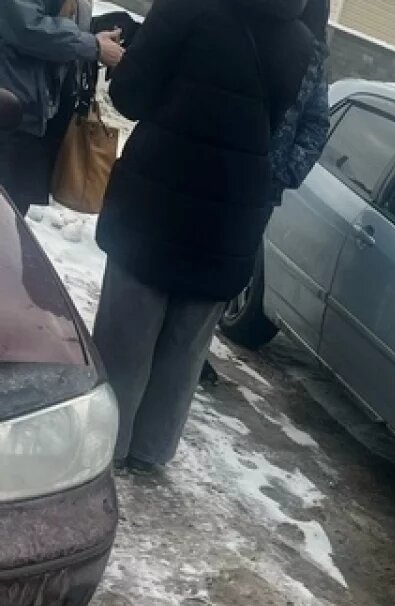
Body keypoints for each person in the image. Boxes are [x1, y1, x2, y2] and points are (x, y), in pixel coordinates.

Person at [92, 0, 315, 474]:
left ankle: (102, 448)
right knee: (186, 344)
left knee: (125, 336)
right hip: (232, 211)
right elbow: (278, 124)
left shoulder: (186, 5)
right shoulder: (299, 40)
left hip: (156, 199)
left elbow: (130, 96)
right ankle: (150, 452)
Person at [199, 0, 331, 388]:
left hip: (258, 191)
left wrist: (283, 173)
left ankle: (194, 347)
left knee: (226, 271)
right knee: (190, 253)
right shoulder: (240, 25)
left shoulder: (312, 58)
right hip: (212, 169)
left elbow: (316, 124)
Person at [0, 0, 124, 215]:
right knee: (7, 208)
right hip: (14, 111)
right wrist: (92, 46)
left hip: (41, 113)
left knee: (15, 206)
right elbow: (25, 27)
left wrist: (94, 38)